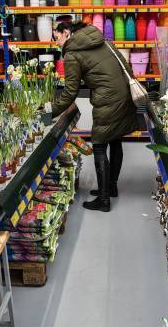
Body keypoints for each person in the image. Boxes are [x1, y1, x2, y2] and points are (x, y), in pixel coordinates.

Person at [52, 21, 138, 212]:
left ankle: (104, 200)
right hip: (124, 94)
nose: (55, 42)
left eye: (55, 36)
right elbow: (124, 64)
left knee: (99, 145)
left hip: (108, 100)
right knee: (115, 140)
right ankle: (111, 187)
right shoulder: (99, 38)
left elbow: (70, 92)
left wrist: (51, 111)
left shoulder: (72, 53)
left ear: (66, 32)